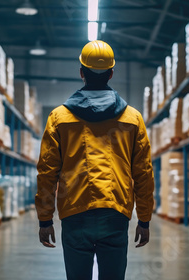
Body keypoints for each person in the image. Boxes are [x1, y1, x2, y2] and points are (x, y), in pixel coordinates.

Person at [35, 40, 155, 280]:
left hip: (75, 213)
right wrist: (144, 218)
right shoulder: (133, 118)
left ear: (81, 72)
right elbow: (143, 172)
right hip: (115, 213)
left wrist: (45, 218)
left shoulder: (59, 117)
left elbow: (47, 172)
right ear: (111, 73)